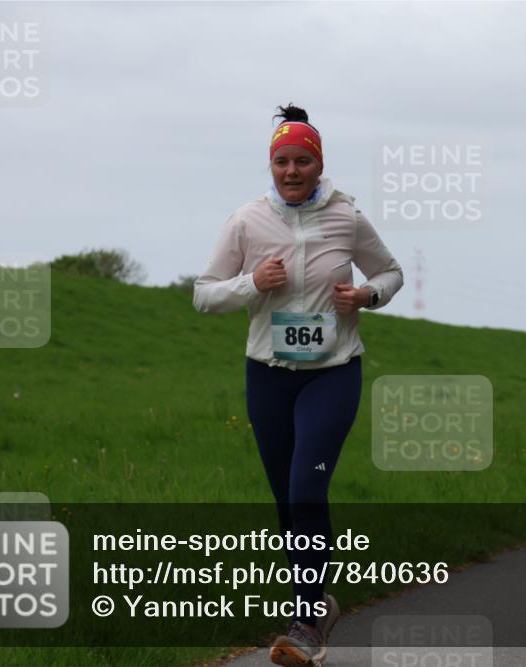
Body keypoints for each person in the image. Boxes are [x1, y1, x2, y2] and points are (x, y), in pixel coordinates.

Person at [193, 104, 404, 666]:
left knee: (308, 490)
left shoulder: (348, 218)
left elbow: (390, 272)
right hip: (268, 376)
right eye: (282, 161)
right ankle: (315, 606)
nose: (292, 171)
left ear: (319, 163)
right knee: (287, 501)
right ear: (271, 165)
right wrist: (251, 283)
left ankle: (307, 622)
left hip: (333, 374)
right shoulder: (246, 221)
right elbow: (204, 293)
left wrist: (367, 296)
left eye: (302, 161)